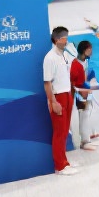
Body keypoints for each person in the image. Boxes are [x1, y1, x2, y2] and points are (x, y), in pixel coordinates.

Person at [43, 26, 77, 175]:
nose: (66, 41)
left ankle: (65, 161)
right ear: (57, 40)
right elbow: (47, 83)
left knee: (64, 131)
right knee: (59, 132)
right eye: (64, 39)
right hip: (58, 98)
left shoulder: (63, 55)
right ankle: (60, 166)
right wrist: (53, 102)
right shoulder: (49, 58)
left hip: (67, 95)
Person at [69, 40, 99, 151]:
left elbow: (85, 77)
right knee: (83, 115)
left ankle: (90, 134)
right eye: (90, 49)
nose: (92, 51)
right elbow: (73, 83)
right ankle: (85, 142)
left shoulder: (85, 61)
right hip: (81, 94)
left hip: (85, 91)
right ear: (85, 50)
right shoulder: (76, 65)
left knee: (88, 112)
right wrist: (81, 93)